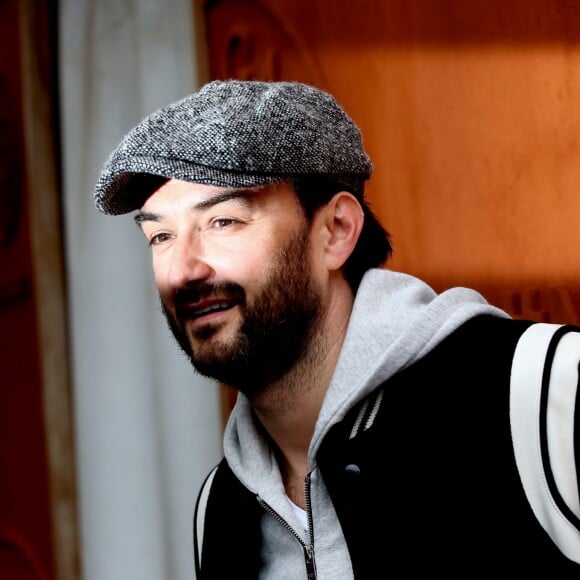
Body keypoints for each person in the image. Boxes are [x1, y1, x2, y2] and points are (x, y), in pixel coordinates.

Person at [93, 79, 580, 578]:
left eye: (224, 221)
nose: (182, 271)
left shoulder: (540, 391)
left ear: (337, 231)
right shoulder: (220, 509)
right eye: (161, 236)